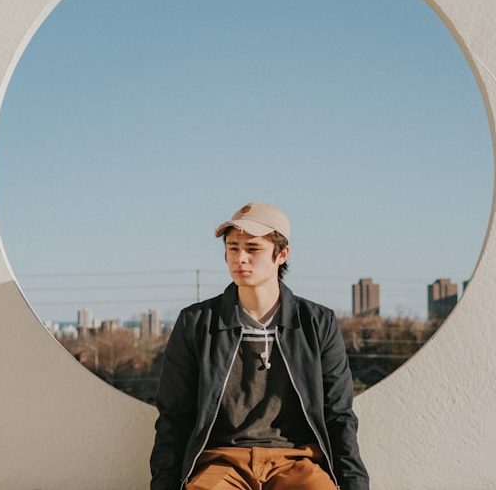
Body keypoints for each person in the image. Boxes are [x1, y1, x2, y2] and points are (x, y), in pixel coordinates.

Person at [150, 202, 370, 490]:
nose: (240, 258)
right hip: (221, 461)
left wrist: (355, 484)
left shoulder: (317, 323)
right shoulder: (196, 323)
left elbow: (339, 415)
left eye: (252, 249)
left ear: (282, 254)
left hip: (298, 460)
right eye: (232, 248)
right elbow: (173, 416)